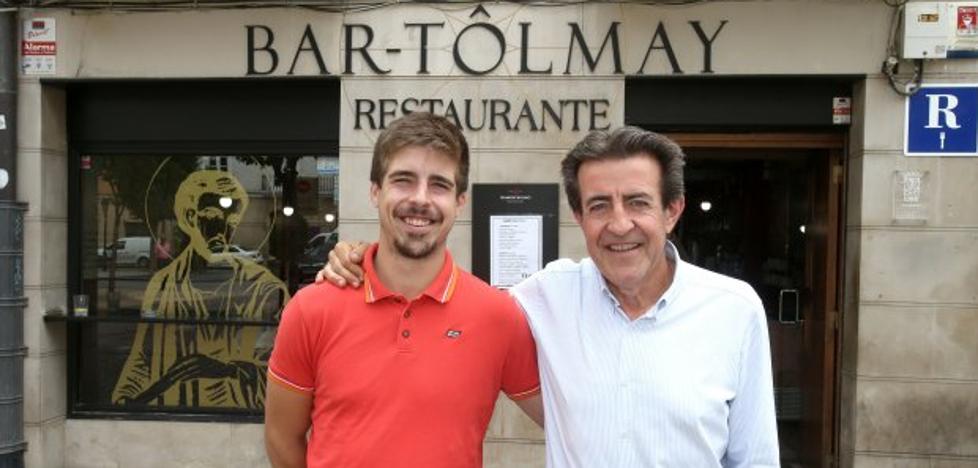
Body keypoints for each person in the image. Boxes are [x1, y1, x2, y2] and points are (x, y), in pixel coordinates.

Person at [319, 126, 780, 467]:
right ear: (579, 216)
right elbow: (455, 298)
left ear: (672, 211)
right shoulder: (547, 296)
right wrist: (361, 257)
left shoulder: (734, 310)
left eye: (637, 202)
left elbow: (755, 458)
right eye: (599, 205)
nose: (620, 225)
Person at [264, 112, 543, 468]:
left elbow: (570, 417)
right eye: (403, 180)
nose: (420, 199)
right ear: (375, 191)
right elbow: (281, 437)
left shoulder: (498, 316)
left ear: (460, 202)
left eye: (439, 185)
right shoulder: (311, 308)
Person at [113, 170, 289, 409]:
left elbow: (287, 367)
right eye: (213, 216)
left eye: (232, 221)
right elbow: (143, 359)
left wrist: (230, 370)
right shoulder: (163, 283)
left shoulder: (265, 288)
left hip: (233, 412)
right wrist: (124, 401)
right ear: (189, 217)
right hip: (172, 411)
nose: (223, 230)